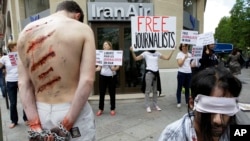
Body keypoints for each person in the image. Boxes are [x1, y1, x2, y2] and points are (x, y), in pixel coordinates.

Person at [17, 1, 96, 140]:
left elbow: (23, 84)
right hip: (73, 111)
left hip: (40, 111)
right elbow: (87, 80)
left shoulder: (25, 32)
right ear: (77, 16)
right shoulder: (82, 29)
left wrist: (34, 124)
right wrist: (66, 124)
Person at [158, 67, 243, 141]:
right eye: (209, 107)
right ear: (192, 103)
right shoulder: (173, 136)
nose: (218, 120)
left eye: (226, 108)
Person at [130, 47, 175, 113]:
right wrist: (132, 51)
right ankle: (147, 105)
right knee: (147, 90)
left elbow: (167, 58)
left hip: (156, 73)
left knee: (155, 90)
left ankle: (155, 104)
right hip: (149, 73)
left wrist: (172, 50)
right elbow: (136, 58)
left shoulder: (157, 53)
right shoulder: (145, 53)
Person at [0, 42, 28, 128]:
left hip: (21, 80)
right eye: (16, 46)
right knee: (13, 102)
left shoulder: (21, 55)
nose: (18, 47)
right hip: (10, 81)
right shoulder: (5, 57)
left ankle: (26, 118)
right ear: (12, 48)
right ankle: (14, 121)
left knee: (25, 100)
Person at [96, 41, 120, 116]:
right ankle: (100, 109)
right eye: (103, 45)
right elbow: (99, 67)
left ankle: (112, 109)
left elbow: (118, 67)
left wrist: (114, 68)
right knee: (102, 93)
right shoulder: (100, 55)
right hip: (103, 76)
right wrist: (91, 69)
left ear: (110, 46)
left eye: (106, 45)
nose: (104, 46)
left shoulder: (115, 54)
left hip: (112, 76)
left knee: (112, 93)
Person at [175, 43, 195, 108]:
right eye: (183, 46)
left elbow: (191, 65)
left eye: (186, 46)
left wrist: (194, 64)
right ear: (181, 47)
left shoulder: (190, 54)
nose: (185, 47)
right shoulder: (179, 54)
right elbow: (180, 64)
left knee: (187, 88)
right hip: (181, 73)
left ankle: (187, 102)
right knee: (179, 88)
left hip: (188, 73)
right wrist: (184, 57)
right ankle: (179, 102)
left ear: (188, 46)